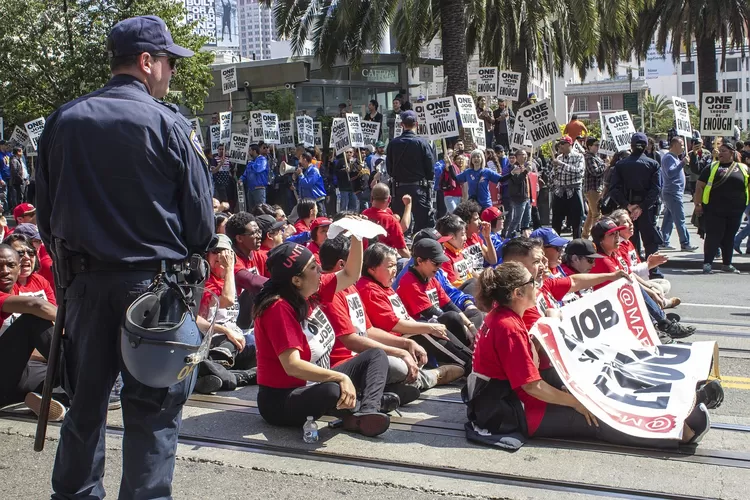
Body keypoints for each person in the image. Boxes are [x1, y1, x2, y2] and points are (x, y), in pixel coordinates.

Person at [35, 15, 214, 499]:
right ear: (146, 61)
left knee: (85, 406)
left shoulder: (64, 119)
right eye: (170, 62)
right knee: (152, 414)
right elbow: (201, 225)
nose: (172, 72)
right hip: (155, 292)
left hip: (86, 289)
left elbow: (45, 218)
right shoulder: (170, 123)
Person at [465, 261, 714, 449]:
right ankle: (679, 433)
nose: (537, 285)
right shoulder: (507, 326)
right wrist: (575, 402)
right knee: (595, 417)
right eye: (532, 283)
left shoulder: (505, 317)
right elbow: (532, 387)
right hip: (510, 410)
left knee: (593, 381)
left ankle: (673, 403)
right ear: (517, 293)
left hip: (508, 397)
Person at [253, 240, 392, 437]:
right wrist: (341, 377)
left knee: (376, 355)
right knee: (332, 390)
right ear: (296, 280)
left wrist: (357, 236)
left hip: (314, 382)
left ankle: (367, 411)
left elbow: (350, 274)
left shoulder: (310, 289)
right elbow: (292, 366)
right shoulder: (278, 308)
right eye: (312, 267)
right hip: (282, 399)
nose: (319, 269)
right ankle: (355, 408)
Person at [357, 243, 464, 387]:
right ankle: (468, 366)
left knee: (442, 324)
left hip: (405, 334)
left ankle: (471, 361)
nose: (394, 270)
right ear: (371, 269)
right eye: (389, 266)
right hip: (397, 339)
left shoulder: (384, 284)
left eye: (395, 265)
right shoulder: (369, 289)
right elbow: (394, 324)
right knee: (428, 331)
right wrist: (428, 328)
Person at [395, 238, 475, 373]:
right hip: (421, 331)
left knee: (468, 315)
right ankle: (469, 361)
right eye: (436, 263)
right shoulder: (409, 281)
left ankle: (472, 351)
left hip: (436, 326)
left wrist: (470, 326)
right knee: (452, 318)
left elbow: (448, 304)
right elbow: (430, 312)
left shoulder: (430, 277)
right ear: (419, 261)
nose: (439, 267)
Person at [194, 234, 258, 394]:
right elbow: (226, 301)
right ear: (207, 257)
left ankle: (221, 377)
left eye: (225, 252)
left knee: (267, 359)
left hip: (237, 340)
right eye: (215, 252)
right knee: (226, 349)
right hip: (213, 341)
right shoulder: (204, 282)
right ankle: (212, 371)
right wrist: (226, 331)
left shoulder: (228, 280)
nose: (221, 256)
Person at [608, 132, 664, 279]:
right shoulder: (653, 164)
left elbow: (613, 189)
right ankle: (654, 272)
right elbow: (656, 189)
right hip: (645, 210)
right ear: (646, 146)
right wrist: (642, 207)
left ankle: (633, 271)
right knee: (650, 242)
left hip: (628, 210)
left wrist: (628, 205)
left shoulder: (621, 165)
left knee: (629, 242)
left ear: (631, 146)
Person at [695, 142, 750, 274]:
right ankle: (707, 263)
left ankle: (727, 264)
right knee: (713, 236)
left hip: (735, 211)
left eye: (724, 151)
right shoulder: (711, 167)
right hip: (714, 210)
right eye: (720, 151)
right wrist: (698, 205)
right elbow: (699, 186)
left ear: (732, 153)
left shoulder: (743, 168)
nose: (720, 153)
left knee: (729, 237)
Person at [386, 110, 435, 231]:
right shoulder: (423, 143)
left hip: (399, 189)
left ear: (401, 125)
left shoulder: (393, 143)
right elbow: (430, 167)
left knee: (399, 226)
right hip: (419, 189)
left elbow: (389, 169)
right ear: (416, 124)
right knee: (422, 225)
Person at [660, 137, 697, 251]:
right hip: (673, 193)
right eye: (681, 145)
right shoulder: (668, 158)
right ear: (674, 145)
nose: (683, 147)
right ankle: (685, 243)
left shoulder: (675, 158)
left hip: (675, 192)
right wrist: (682, 163)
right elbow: (670, 173)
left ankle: (663, 240)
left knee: (669, 218)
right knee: (680, 219)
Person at [362, 183, 411, 258]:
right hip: (384, 260)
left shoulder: (364, 214)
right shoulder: (391, 220)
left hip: (365, 258)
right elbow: (402, 250)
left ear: (371, 198)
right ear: (389, 199)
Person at [551, 136, 585, 239]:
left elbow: (579, 172)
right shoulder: (559, 157)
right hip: (560, 191)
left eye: (562, 143)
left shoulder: (578, 157)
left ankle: (577, 244)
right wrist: (554, 171)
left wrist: (561, 165)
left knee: (576, 220)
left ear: (569, 144)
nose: (560, 146)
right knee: (556, 219)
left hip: (573, 190)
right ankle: (555, 244)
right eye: (559, 143)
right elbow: (552, 174)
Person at [454, 200, 498, 274]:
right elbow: (468, 271)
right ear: (466, 223)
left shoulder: (475, 236)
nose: (480, 222)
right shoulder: (459, 241)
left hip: (481, 276)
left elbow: (493, 260)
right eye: (476, 219)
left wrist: (487, 237)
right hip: (473, 281)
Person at [582, 137, 605, 239]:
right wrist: (605, 165)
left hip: (597, 188)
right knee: (596, 214)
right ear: (589, 146)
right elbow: (595, 172)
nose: (597, 147)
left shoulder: (596, 157)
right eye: (595, 145)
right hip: (592, 188)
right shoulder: (589, 158)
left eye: (598, 145)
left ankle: (585, 235)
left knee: (591, 214)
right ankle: (597, 237)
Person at [507, 149, 533, 236]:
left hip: (526, 197)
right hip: (519, 198)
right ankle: (509, 236)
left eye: (525, 154)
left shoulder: (524, 167)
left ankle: (525, 237)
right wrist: (526, 172)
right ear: (517, 157)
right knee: (517, 219)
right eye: (522, 154)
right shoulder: (514, 168)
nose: (525, 156)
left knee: (527, 220)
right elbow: (517, 180)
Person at [295, 152, 327, 216]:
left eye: (300, 159)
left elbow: (307, 184)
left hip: (317, 201)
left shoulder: (314, 170)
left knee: (319, 221)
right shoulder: (306, 170)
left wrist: (301, 175)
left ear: (305, 160)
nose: (299, 161)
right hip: (309, 201)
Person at [241, 144, 270, 209]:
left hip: (259, 188)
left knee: (260, 209)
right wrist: (241, 179)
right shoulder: (251, 162)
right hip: (250, 189)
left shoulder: (262, 159)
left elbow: (258, 169)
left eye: (250, 150)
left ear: (254, 151)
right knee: (252, 210)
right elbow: (246, 173)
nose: (248, 152)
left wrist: (251, 163)